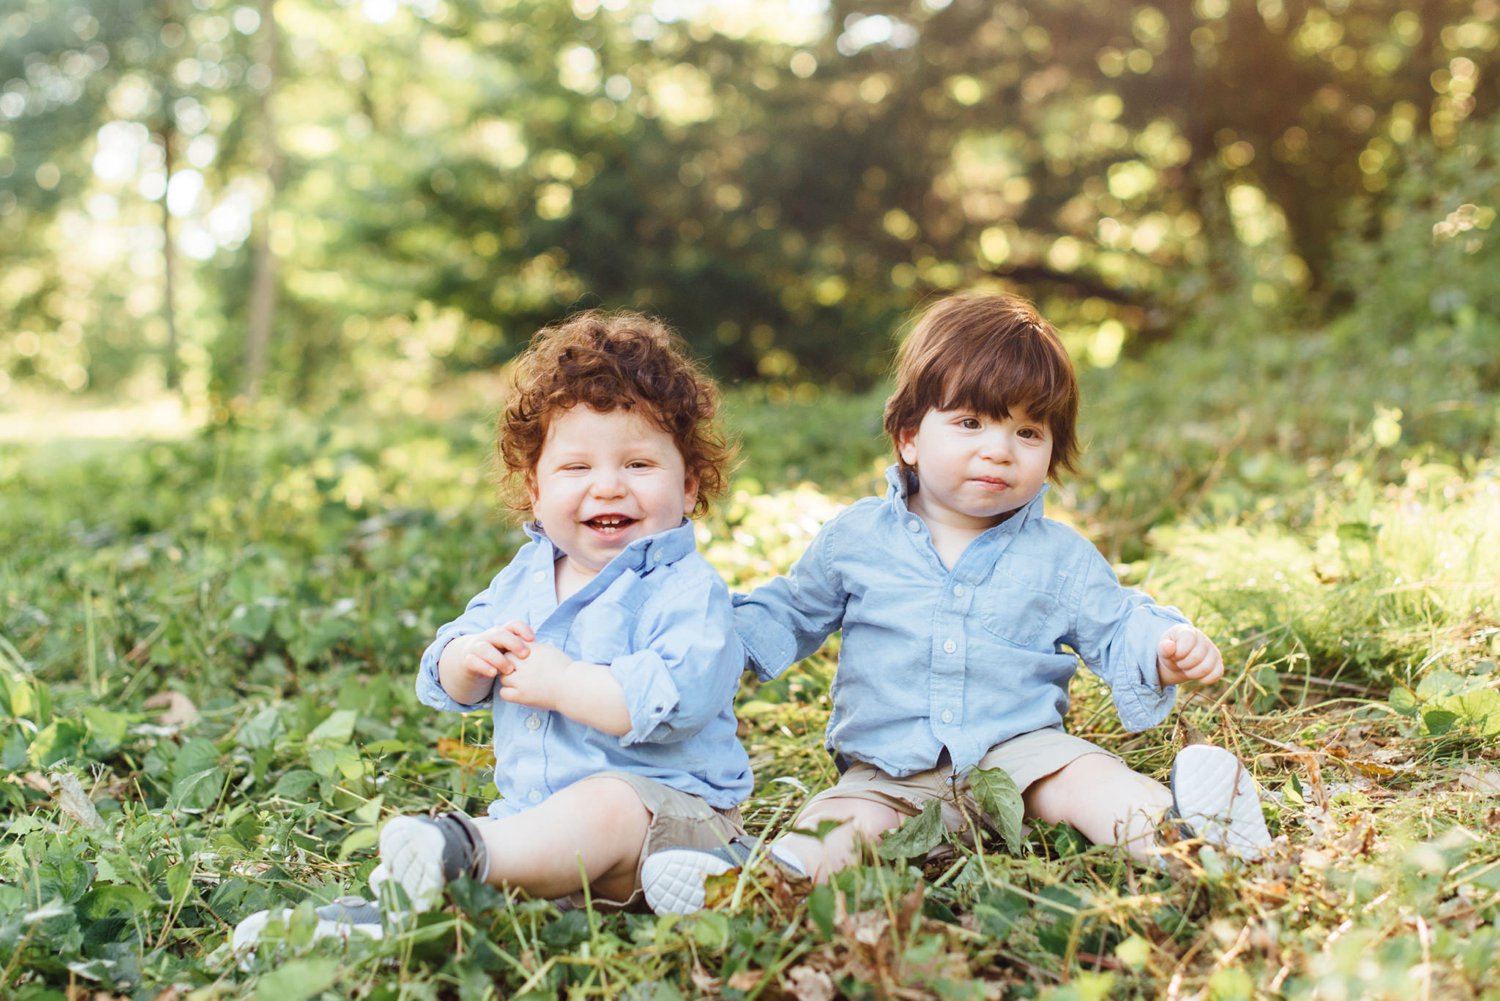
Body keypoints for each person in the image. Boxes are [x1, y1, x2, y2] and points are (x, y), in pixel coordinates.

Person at [640, 291, 1271, 914]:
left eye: (1028, 430)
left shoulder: (1060, 556)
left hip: (1022, 757)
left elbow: (1118, 623)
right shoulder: (857, 539)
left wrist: (1161, 648)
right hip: (886, 772)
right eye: (971, 423)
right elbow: (788, 610)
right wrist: (708, 636)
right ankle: (753, 890)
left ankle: (1187, 836)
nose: (999, 449)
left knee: (1089, 781)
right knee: (834, 828)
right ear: (910, 437)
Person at [234, 310, 752, 949]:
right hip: (538, 829)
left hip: (671, 829)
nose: (608, 486)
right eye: (576, 468)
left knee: (606, 803)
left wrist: (563, 683)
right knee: (510, 857)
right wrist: (466, 656)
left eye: (640, 464)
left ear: (689, 484)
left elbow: (678, 697)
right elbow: (449, 665)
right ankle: (366, 922)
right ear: (534, 490)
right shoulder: (528, 575)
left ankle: (470, 856)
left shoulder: (687, 589)